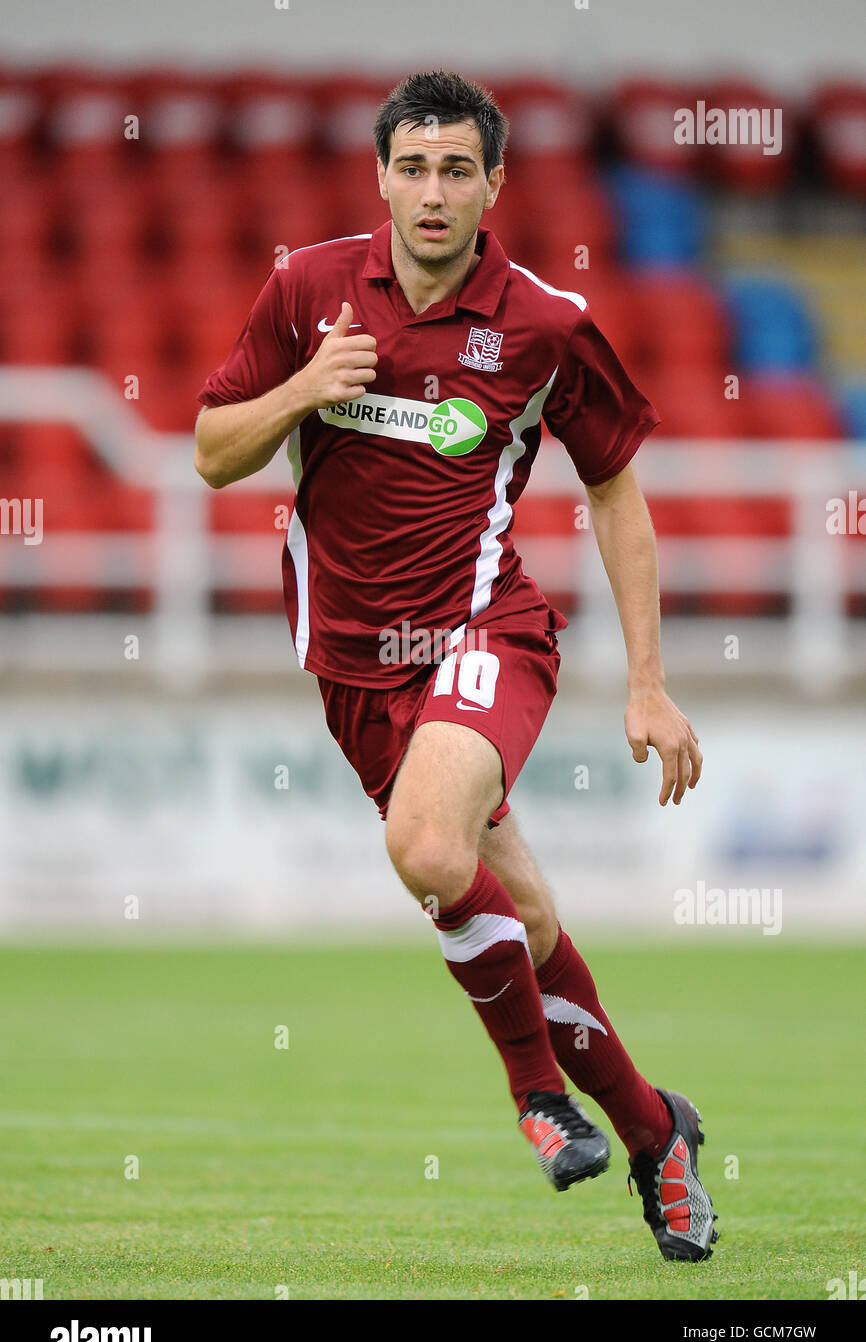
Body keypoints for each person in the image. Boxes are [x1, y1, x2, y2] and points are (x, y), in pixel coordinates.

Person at [194, 70, 718, 1262]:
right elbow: (211, 453)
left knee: (426, 849)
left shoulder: (540, 322)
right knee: (519, 918)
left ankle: (535, 1095)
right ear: (379, 175)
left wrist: (645, 678)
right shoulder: (308, 290)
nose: (431, 192)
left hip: (486, 636)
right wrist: (300, 391)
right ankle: (655, 1136)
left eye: (455, 169)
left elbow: (615, 492)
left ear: (493, 184)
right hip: (349, 663)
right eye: (411, 166)